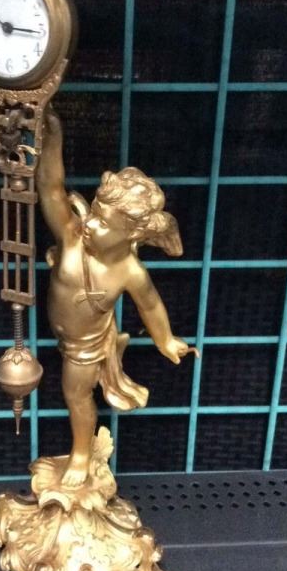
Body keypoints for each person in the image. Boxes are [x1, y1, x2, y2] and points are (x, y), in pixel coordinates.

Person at [36, 109, 198, 488]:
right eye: (93, 212)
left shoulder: (130, 271)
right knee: (72, 393)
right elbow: (50, 188)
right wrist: (52, 137)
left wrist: (165, 340)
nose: (90, 223)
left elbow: (150, 305)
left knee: (76, 394)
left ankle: (81, 454)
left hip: (87, 346)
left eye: (103, 222)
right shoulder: (71, 237)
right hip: (64, 337)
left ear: (131, 235)